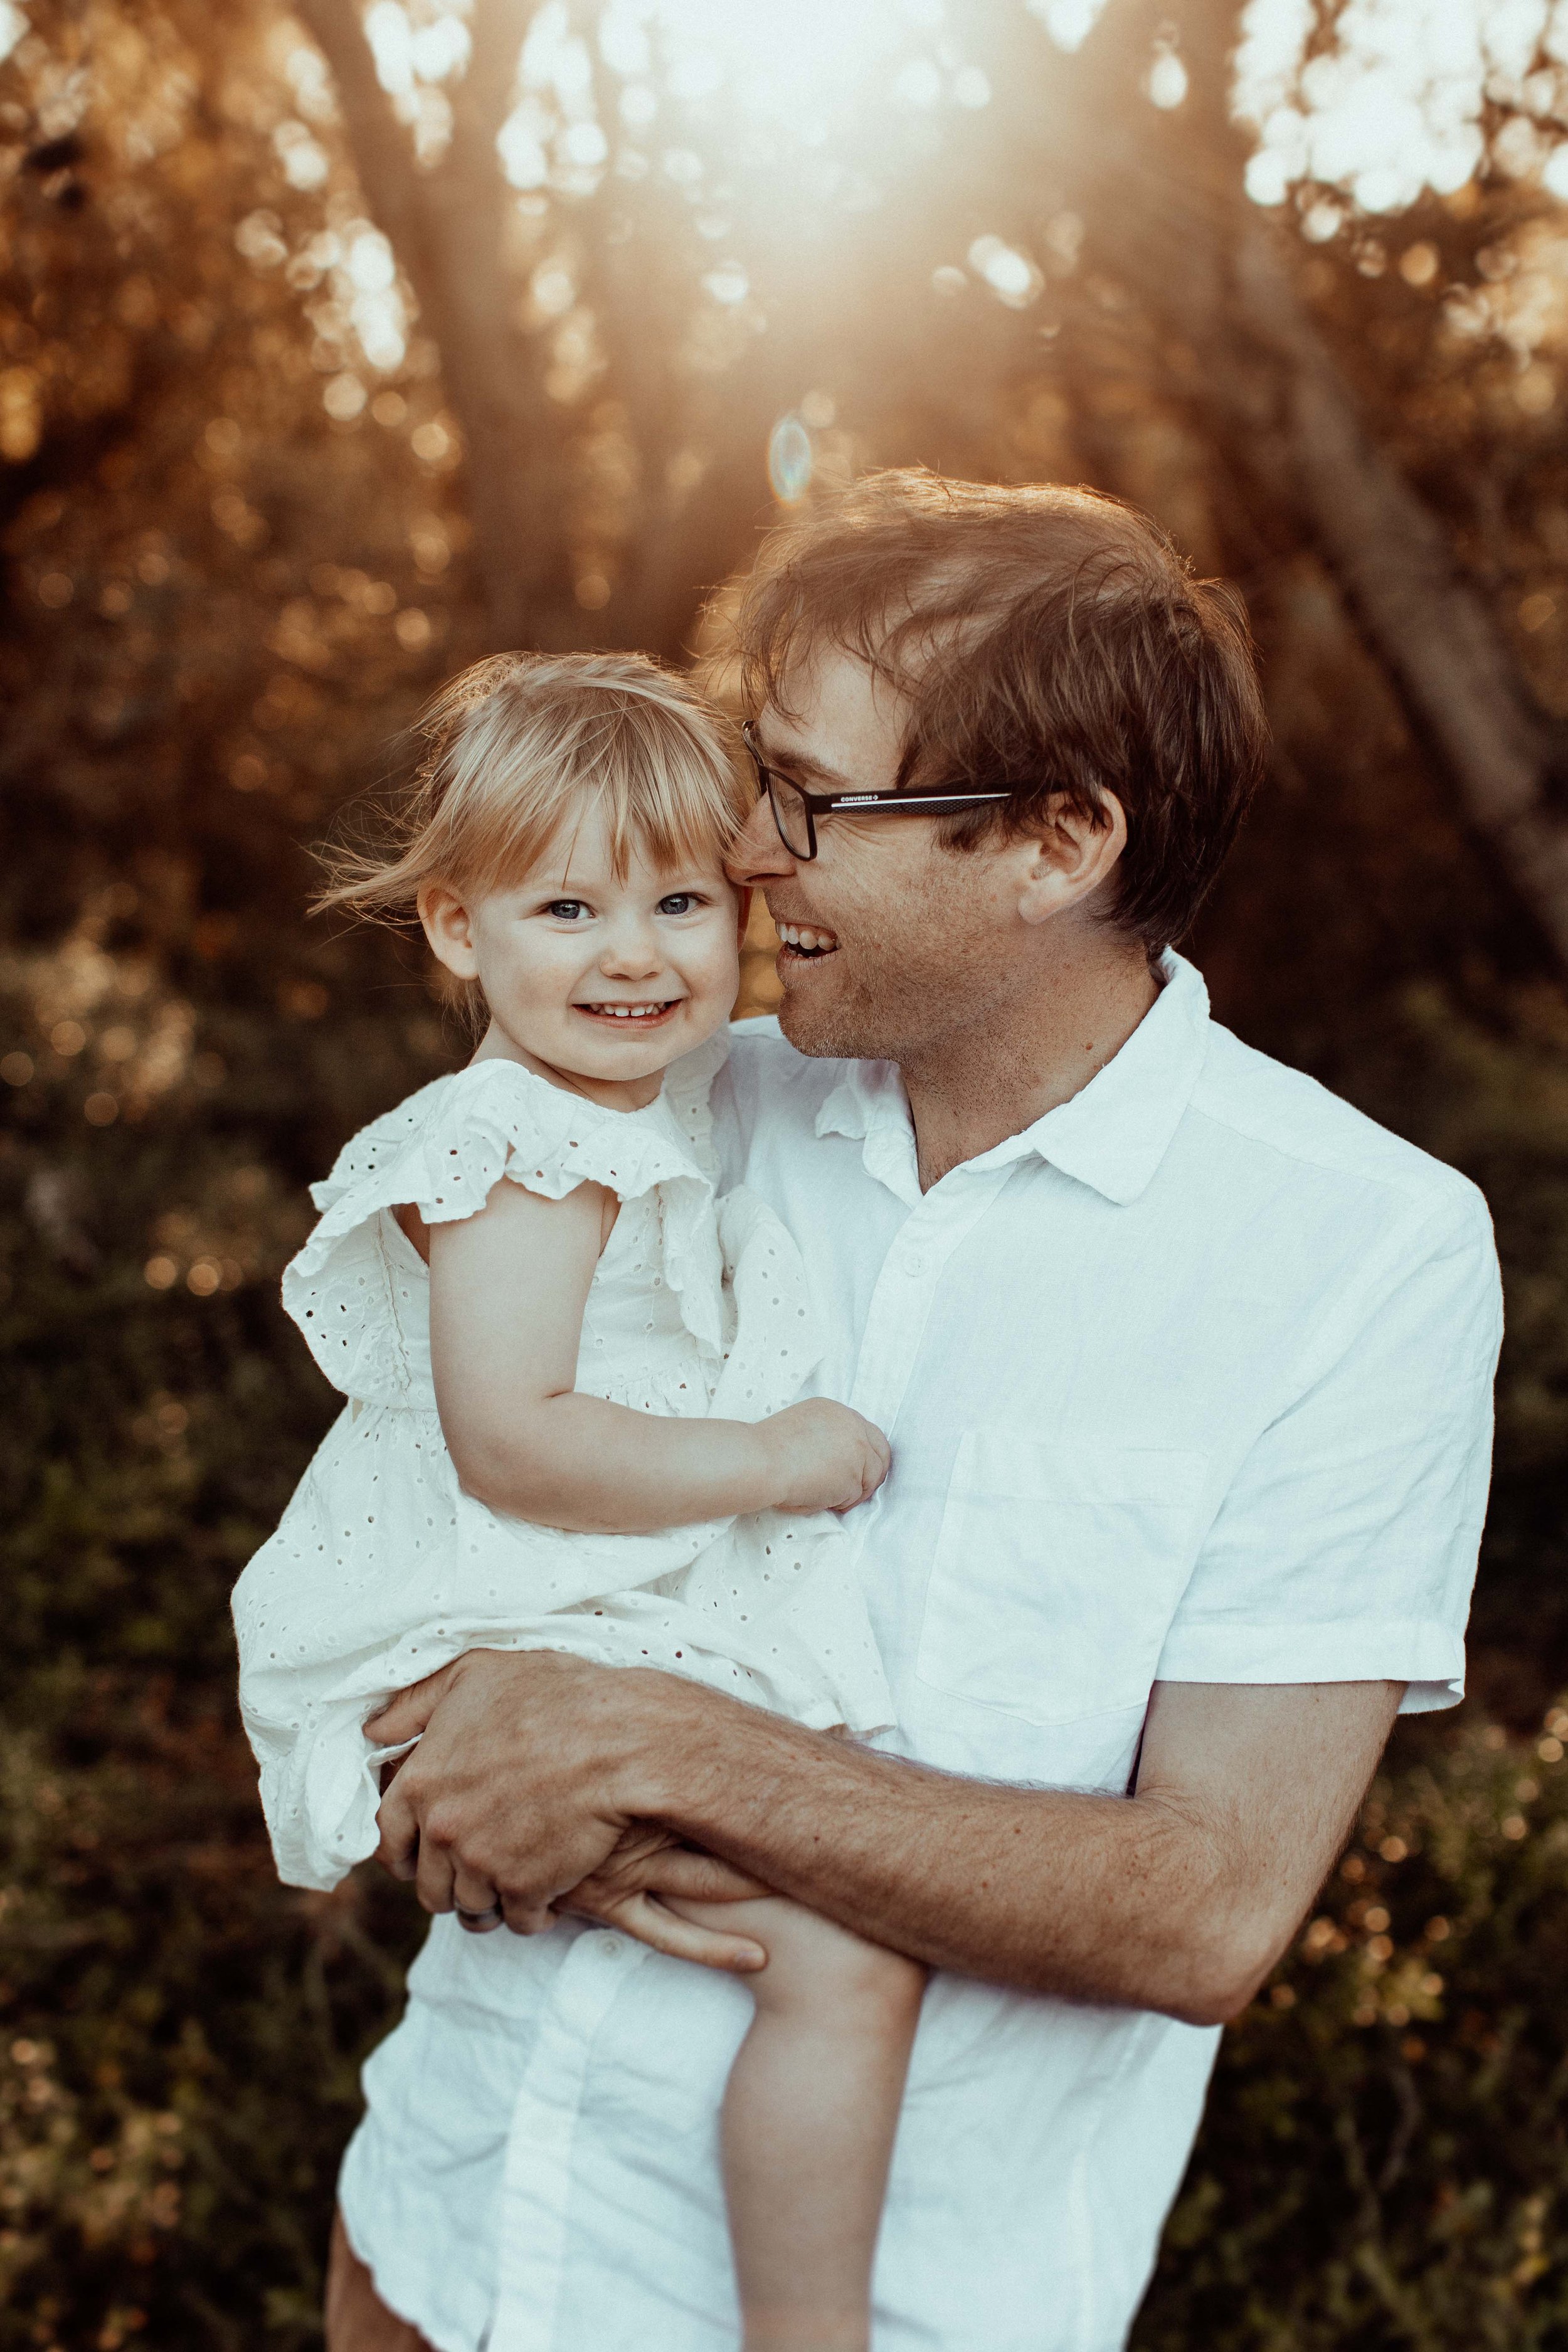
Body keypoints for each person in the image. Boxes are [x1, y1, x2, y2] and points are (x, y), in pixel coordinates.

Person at [331, 474, 1503, 2352]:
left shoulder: (1356, 1253)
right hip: (453, 2223)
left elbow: (1203, 1910)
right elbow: (401, 1529)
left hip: (879, 2309)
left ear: (1054, 840)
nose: (744, 849)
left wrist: (658, 1748)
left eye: (804, 795)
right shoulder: (659, 1095)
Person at [232, 650, 932, 2352]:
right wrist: (772, 1458)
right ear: (458, 932)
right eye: (567, 907)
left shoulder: (637, 1101)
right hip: (499, 1588)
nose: (635, 954)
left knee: (812, 1937)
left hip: (565, 1591)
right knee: (845, 1959)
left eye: (682, 901)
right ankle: (808, 2331)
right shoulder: (527, 1155)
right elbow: (513, 1439)